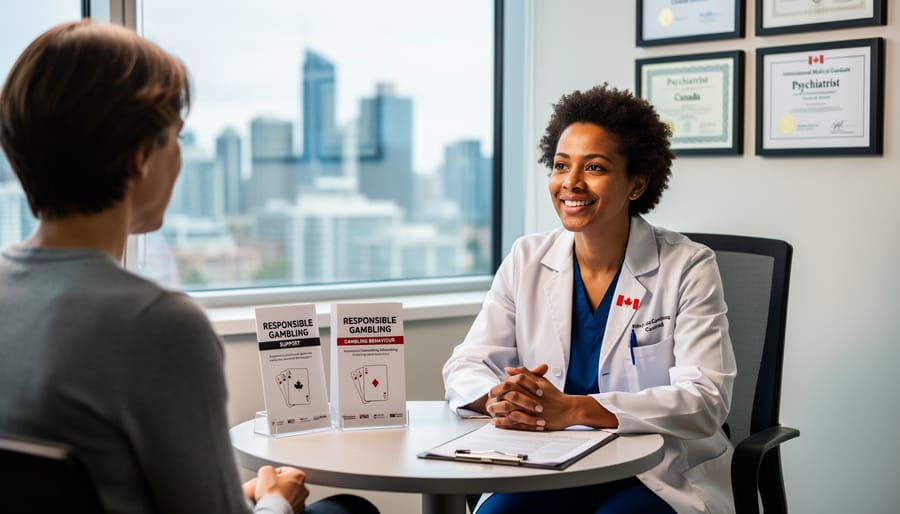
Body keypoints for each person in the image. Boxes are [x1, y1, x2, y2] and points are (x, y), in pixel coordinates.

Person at [0, 20, 378, 514]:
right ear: (140, 157)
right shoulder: (158, 326)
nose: (179, 157)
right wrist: (276, 501)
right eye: (176, 137)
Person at [442, 84, 737, 514]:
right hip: (549, 462)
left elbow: (705, 399)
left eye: (594, 167)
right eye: (561, 165)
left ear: (636, 184)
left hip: (650, 469)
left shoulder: (687, 266)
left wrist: (574, 409)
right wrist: (500, 398)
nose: (571, 183)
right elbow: (466, 364)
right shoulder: (528, 258)